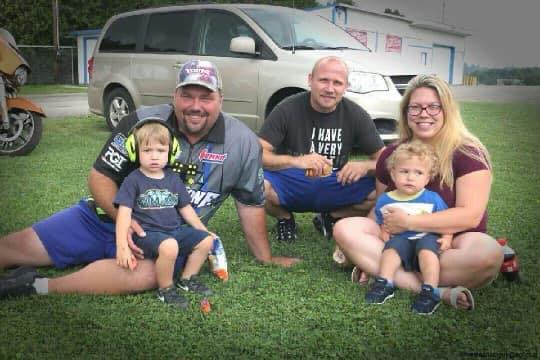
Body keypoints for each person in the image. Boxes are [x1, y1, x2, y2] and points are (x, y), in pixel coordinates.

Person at [0, 59, 299, 298]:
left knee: (152, 274)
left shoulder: (243, 143)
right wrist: (123, 221)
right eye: (187, 95)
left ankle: (35, 285)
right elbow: (100, 177)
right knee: (11, 248)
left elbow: (250, 203)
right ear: (175, 96)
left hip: (164, 239)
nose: (195, 105)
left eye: (206, 97)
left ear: (221, 99)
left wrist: (265, 258)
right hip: (103, 217)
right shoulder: (141, 121)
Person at [334, 74, 503, 311]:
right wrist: (371, 236)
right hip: (397, 240)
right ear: (405, 114)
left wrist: (410, 223)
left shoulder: (468, 153)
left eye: (434, 106)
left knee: (488, 255)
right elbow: (381, 205)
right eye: (415, 107)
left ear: (447, 110)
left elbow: (470, 215)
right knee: (344, 228)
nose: (424, 114)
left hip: (450, 243)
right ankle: (436, 291)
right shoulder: (391, 154)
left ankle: (383, 270)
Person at [258, 56, 385, 241]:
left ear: (346, 86)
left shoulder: (356, 114)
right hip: (293, 181)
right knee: (256, 184)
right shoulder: (287, 108)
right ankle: (284, 218)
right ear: (310, 80)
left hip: (336, 181)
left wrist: (365, 166)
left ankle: (332, 217)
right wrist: (296, 161)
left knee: (381, 188)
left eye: (337, 83)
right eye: (323, 80)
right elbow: (257, 153)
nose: (329, 89)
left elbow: (388, 160)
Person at [115, 119, 215, 309]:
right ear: (135, 152)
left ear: (171, 152)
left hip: (173, 231)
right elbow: (124, 215)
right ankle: (165, 289)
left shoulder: (173, 178)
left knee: (206, 241)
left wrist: (204, 230)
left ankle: (187, 279)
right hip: (147, 235)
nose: (154, 156)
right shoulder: (133, 180)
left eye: (160, 151)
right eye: (147, 150)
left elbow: (185, 209)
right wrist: (122, 247)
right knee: (169, 247)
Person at [365, 141, 452, 315]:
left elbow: (446, 220)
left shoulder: (432, 198)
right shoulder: (385, 200)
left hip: (427, 237)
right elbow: (383, 220)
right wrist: (383, 230)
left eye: (418, 173)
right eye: (404, 171)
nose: (410, 177)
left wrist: (447, 236)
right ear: (393, 174)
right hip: (401, 237)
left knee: (427, 253)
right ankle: (385, 283)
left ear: (427, 178)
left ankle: (430, 291)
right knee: (390, 251)